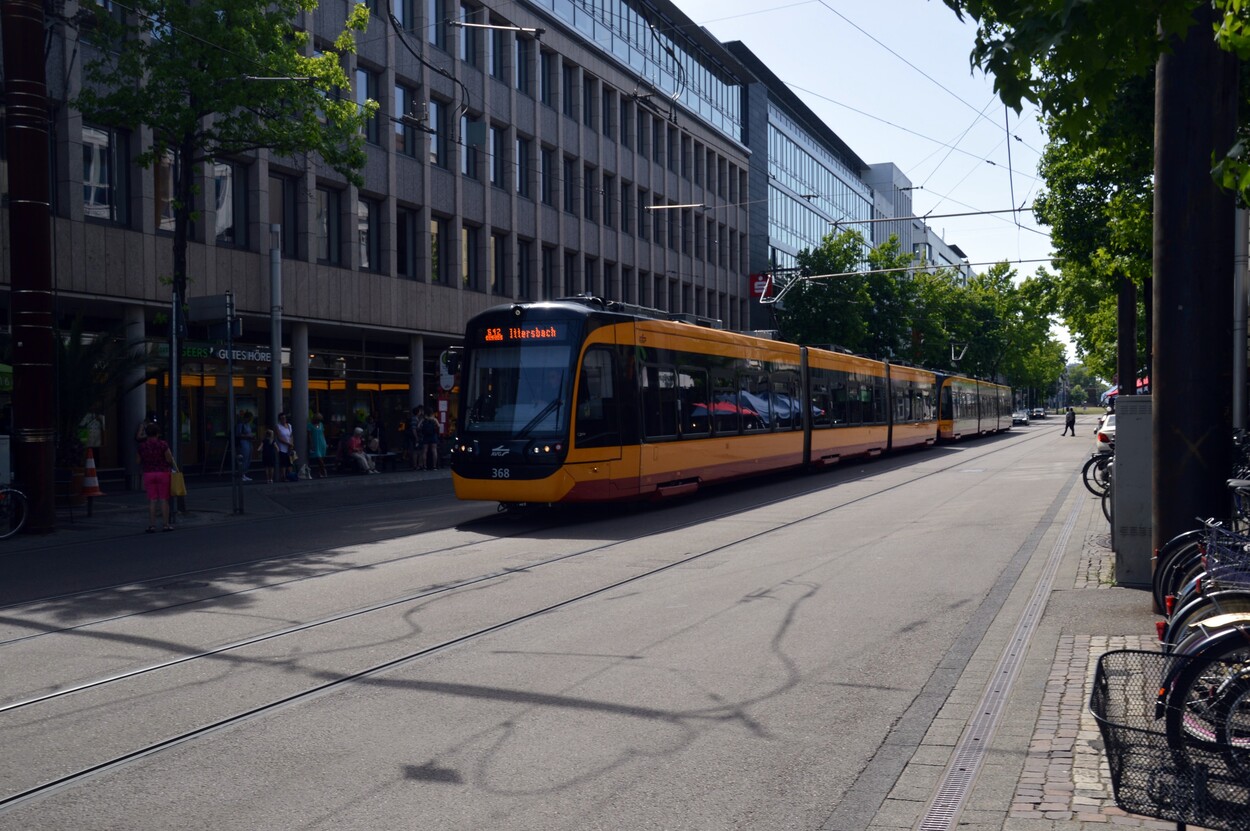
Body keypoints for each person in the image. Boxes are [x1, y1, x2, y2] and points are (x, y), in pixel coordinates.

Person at [136, 422, 175, 532]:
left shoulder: (142, 446)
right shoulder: (163, 445)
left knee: (152, 500)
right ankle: (166, 524)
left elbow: (138, 461)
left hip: (148, 473)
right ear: (157, 433)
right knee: (164, 499)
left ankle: (152, 525)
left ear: (147, 434)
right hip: (162, 473)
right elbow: (169, 459)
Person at [308, 413, 329, 478]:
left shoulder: (321, 424)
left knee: (321, 458)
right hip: (315, 443)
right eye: (318, 420)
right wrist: (311, 443)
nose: (318, 421)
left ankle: (320, 472)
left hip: (322, 442)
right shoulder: (310, 425)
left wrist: (325, 443)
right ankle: (324, 471)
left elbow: (322, 433)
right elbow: (309, 435)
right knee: (319, 458)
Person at [236, 412, 255, 481]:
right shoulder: (241, 424)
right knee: (244, 457)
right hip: (243, 442)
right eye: (249, 418)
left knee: (248, 458)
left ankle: (244, 473)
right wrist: (248, 436)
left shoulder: (248, 424)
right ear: (246, 418)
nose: (250, 420)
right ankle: (241, 474)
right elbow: (238, 434)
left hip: (249, 442)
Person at [275, 412, 294, 482]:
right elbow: (279, 438)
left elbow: (291, 435)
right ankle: (283, 477)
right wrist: (287, 443)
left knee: (290, 462)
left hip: (289, 447)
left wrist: (291, 444)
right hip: (282, 447)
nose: (284, 419)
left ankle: (290, 475)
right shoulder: (278, 426)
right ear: (280, 419)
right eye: (282, 418)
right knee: (283, 463)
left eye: (285, 418)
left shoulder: (289, 425)